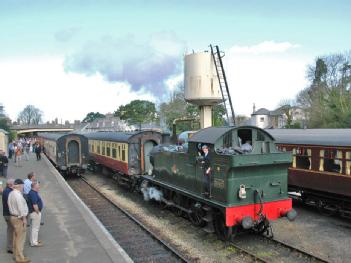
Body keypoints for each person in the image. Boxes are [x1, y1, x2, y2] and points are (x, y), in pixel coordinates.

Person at [8, 179, 30, 263]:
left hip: (13, 217)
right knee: (20, 238)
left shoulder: (11, 193)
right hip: (19, 218)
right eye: (23, 185)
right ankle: (20, 257)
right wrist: (24, 219)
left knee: (15, 237)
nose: (23, 187)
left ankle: (15, 255)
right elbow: (20, 207)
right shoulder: (18, 195)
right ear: (20, 185)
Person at [27, 180, 44, 247]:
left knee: (33, 227)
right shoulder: (33, 193)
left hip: (33, 212)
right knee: (35, 228)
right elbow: (34, 204)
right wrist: (38, 212)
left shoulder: (32, 192)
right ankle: (34, 242)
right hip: (35, 213)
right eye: (38, 185)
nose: (39, 186)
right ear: (35, 186)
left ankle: (33, 240)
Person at [2, 179, 14, 254]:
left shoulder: (6, 191)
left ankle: (10, 247)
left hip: (6, 214)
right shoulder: (8, 192)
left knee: (10, 230)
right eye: (14, 184)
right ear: (10, 184)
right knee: (11, 231)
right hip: (9, 214)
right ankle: (11, 247)